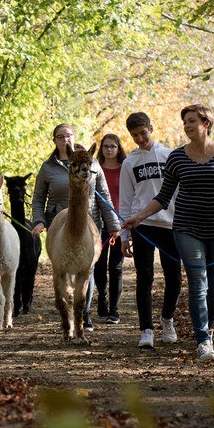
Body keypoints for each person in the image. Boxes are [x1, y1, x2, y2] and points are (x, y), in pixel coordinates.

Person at [121, 104, 214, 362]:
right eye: (185, 122)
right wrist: (137, 218)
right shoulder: (177, 158)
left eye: (191, 121)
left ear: (206, 123)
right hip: (186, 228)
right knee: (197, 286)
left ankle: (203, 326)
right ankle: (203, 341)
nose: (187, 126)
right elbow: (163, 196)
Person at [31, 123, 122, 332]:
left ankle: (84, 314)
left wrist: (114, 226)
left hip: (90, 222)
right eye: (60, 137)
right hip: (58, 225)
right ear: (54, 140)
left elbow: (104, 196)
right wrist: (38, 221)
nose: (65, 140)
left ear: (74, 137)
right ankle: (66, 317)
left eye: (69, 135)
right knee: (62, 271)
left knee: (86, 269)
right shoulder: (48, 168)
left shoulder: (93, 164)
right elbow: (38, 198)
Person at [118, 113, 182, 349]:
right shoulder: (129, 162)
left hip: (170, 224)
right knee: (144, 277)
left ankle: (168, 320)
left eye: (143, 133)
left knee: (173, 276)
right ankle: (146, 329)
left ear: (151, 128)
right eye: (134, 135)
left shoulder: (171, 155)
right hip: (141, 225)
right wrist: (125, 235)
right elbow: (125, 201)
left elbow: (181, 192)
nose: (139, 138)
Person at [93, 133, 127, 324]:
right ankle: (102, 297)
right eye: (106, 146)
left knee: (116, 266)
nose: (109, 149)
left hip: (120, 223)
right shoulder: (96, 168)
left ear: (118, 148)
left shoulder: (125, 169)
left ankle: (114, 309)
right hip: (99, 223)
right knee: (98, 265)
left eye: (113, 146)